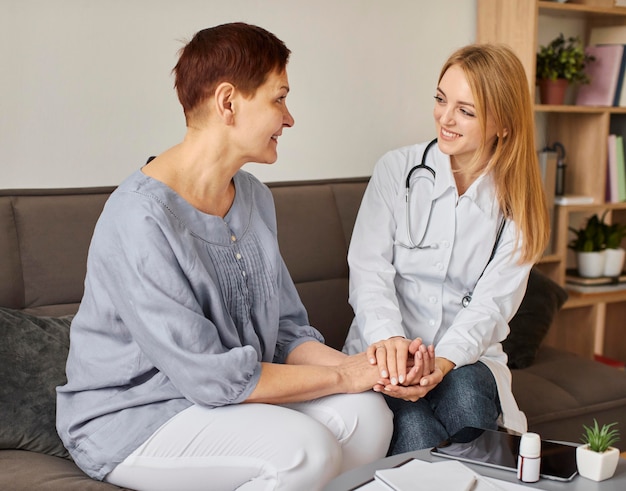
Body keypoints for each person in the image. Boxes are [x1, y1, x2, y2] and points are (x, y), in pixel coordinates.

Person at [56, 23, 392, 491]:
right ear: (229, 102)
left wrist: (371, 373)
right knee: (305, 451)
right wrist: (343, 374)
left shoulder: (254, 198)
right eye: (279, 99)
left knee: (369, 417)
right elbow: (213, 379)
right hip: (134, 418)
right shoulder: (139, 218)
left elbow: (286, 335)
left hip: (224, 399)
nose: (289, 118)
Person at [343, 43, 550, 455]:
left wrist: (442, 362)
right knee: (415, 430)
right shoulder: (396, 171)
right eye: (441, 100)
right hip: (384, 349)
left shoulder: (518, 203)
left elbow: (491, 306)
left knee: (466, 399)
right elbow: (369, 271)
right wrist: (391, 344)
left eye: (466, 111)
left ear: (503, 125)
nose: (445, 118)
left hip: (468, 354)